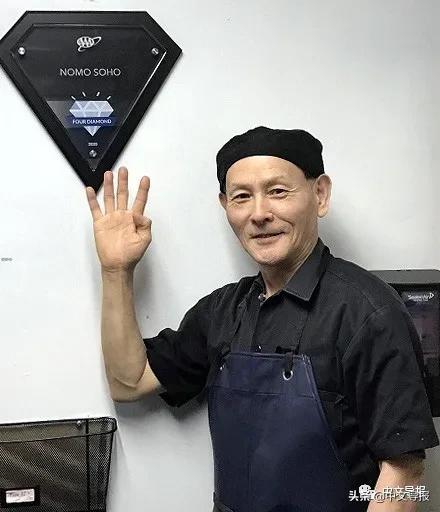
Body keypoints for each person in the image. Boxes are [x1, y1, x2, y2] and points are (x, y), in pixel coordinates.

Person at [86, 126, 439, 512]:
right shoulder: (222, 312)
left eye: (278, 191)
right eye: (242, 197)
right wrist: (116, 272)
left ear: (320, 195)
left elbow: (404, 474)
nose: (259, 214)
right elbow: (129, 381)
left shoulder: (369, 312)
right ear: (225, 207)